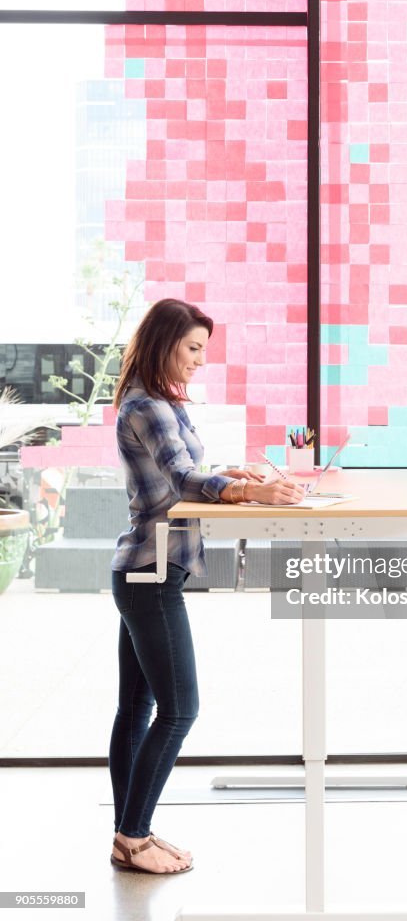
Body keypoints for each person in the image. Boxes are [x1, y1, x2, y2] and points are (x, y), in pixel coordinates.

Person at [108, 297, 305, 874]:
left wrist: (235, 472)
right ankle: (133, 836)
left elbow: (184, 473)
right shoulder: (152, 406)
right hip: (153, 574)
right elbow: (184, 477)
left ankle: (129, 833)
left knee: (136, 709)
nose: (198, 360)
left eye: (203, 351)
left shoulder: (153, 400)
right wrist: (252, 492)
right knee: (179, 710)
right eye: (192, 348)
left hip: (141, 569)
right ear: (165, 341)